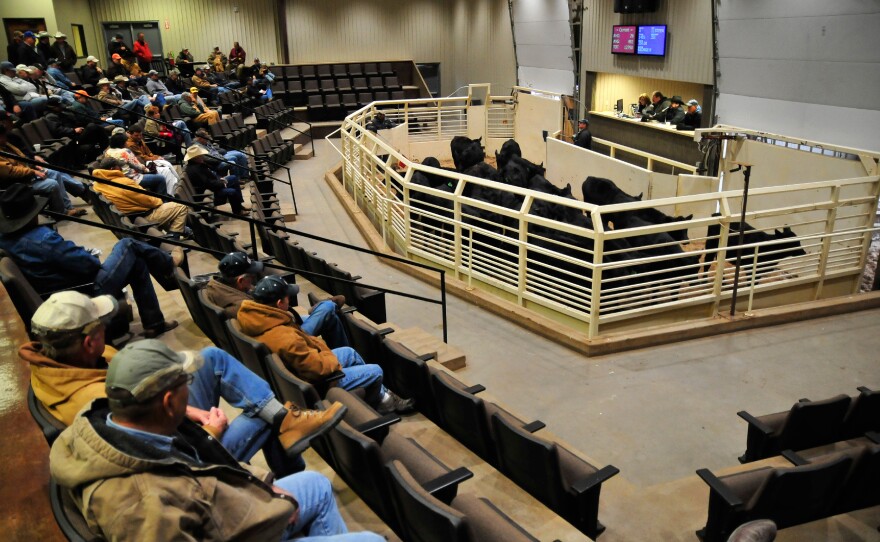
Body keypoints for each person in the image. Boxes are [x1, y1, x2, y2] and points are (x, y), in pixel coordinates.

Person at [48, 338, 380, 541]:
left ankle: (286, 432)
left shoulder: (118, 426)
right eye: (185, 385)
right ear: (167, 402)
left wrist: (263, 487)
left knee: (316, 485)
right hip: (237, 528)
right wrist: (268, 513)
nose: (190, 395)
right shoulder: (144, 508)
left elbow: (201, 466)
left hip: (231, 505)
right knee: (372, 540)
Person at [24, 291, 347, 468]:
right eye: (99, 326)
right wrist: (209, 430)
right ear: (89, 342)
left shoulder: (60, 363)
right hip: (190, 455)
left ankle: (286, 423)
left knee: (214, 358)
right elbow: (162, 451)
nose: (105, 328)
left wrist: (190, 411)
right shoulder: (94, 403)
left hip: (165, 421)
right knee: (265, 417)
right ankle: (287, 475)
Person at [0, 184, 179, 337]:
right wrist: (87, 255)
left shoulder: (5, 240)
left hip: (55, 294)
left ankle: (155, 324)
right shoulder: (42, 239)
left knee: (137, 262)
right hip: (85, 290)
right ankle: (169, 264)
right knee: (128, 245)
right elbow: (89, 265)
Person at [238, 275, 414, 414]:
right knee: (376, 371)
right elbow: (319, 369)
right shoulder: (284, 336)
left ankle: (384, 395)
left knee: (349, 352)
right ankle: (382, 405)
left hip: (307, 365)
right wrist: (327, 354)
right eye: (287, 298)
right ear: (279, 303)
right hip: (320, 383)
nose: (289, 300)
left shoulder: (257, 319)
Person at [205, 251, 350, 348]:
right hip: (289, 336)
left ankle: (338, 346)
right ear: (241, 280)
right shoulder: (242, 307)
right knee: (328, 309)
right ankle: (325, 307)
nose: (254, 280)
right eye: (252, 277)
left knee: (330, 317)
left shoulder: (218, 287)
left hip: (283, 327)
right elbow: (273, 322)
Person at [0, 125, 86, 217]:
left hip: (26, 176)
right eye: (3, 136)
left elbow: (23, 159)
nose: (5, 138)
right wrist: (32, 171)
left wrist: (34, 166)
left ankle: (69, 207)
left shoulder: (7, 145)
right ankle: (60, 212)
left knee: (54, 173)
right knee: (52, 184)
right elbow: (11, 171)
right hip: (16, 185)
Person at [93, 156, 189, 237]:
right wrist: (159, 201)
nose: (122, 168)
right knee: (180, 207)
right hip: (141, 217)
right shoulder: (124, 182)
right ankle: (174, 242)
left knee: (169, 210)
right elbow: (149, 201)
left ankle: (185, 231)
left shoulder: (96, 184)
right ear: (112, 169)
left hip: (128, 217)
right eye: (119, 166)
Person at [184, 144, 245, 214]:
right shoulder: (195, 169)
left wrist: (220, 180)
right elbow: (208, 185)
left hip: (212, 187)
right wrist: (221, 183)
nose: (202, 157)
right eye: (200, 156)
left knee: (233, 178)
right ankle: (238, 211)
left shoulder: (198, 165)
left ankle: (239, 206)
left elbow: (210, 177)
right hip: (208, 194)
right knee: (232, 191)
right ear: (195, 158)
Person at [103, 132, 169, 196]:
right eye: (126, 141)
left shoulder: (107, 152)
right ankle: (163, 201)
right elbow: (138, 167)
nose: (127, 143)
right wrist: (147, 170)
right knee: (161, 178)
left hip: (117, 179)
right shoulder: (125, 151)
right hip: (132, 178)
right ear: (122, 143)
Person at [126, 122, 180, 193]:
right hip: (144, 164)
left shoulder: (140, 140)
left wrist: (156, 157)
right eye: (136, 135)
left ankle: (176, 187)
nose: (139, 137)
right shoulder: (130, 145)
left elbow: (149, 152)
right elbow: (142, 157)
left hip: (150, 160)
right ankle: (170, 192)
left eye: (140, 135)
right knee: (166, 170)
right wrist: (156, 158)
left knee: (168, 165)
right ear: (130, 134)